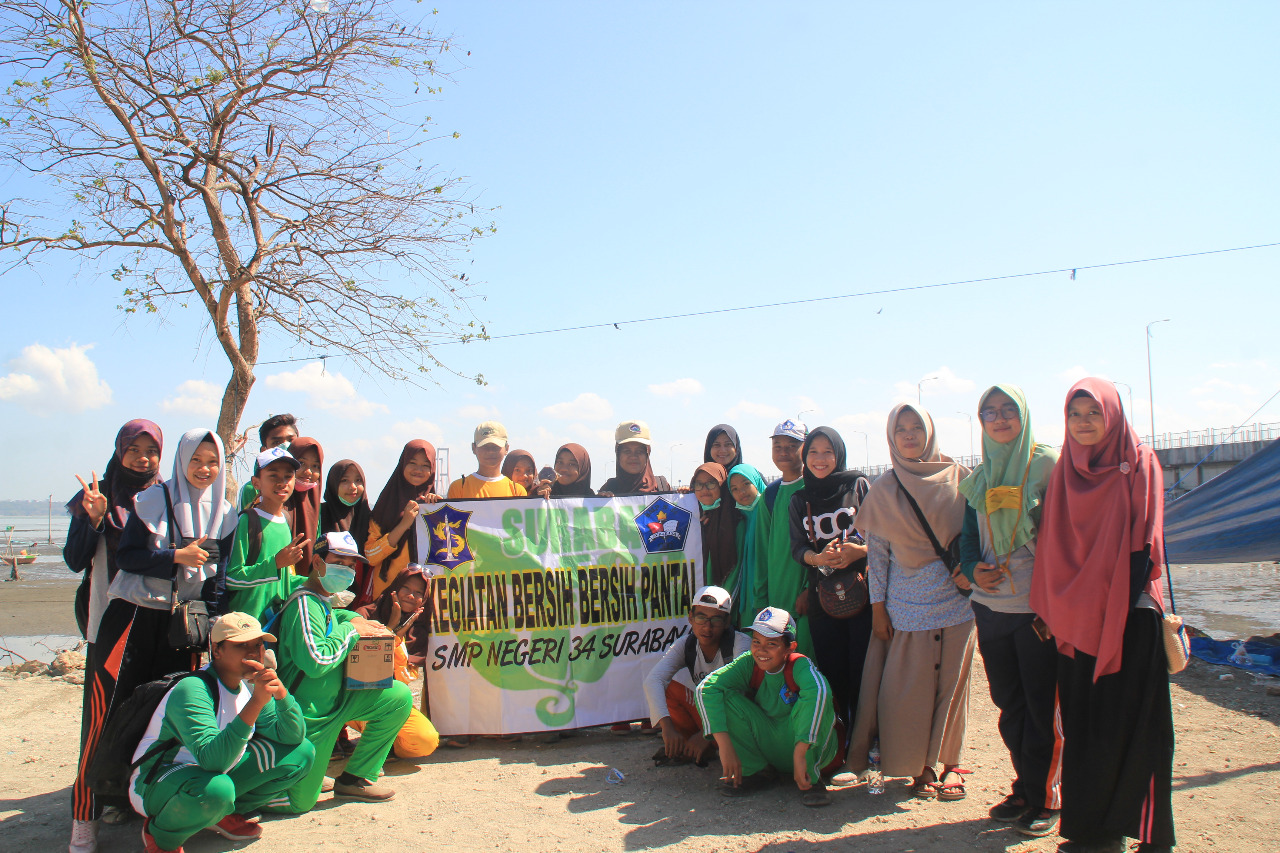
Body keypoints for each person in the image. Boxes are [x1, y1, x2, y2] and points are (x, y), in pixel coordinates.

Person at [1030, 379, 1175, 853]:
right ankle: (1093, 831)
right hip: (1074, 623)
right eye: (1076, 414)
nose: (1085, 422)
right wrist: (1056, 611)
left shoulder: (1139, 463)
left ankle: (1152, 837)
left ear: (1112, 414)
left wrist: (1106, 612)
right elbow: (1053, 549)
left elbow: (1143, 545)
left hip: (1128, 616)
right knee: (1085, 727)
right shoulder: (1065, 475)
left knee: (1138, 726)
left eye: (1094, 412)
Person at [846, 405, 974, 802]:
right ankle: (918, 764)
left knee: (952, 688)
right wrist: (878, 608)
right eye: (900, 429)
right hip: (907, 605)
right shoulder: (885, 490)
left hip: (958, 603)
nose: (909, 435)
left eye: (917, 427)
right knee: (909, 691)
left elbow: (979, 535)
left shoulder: (962, 480)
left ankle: (948, 765)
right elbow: (877, 556)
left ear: (930, 431)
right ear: (891, 436)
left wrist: (972, 569)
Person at [957, 385, 1062, 837]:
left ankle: (1048, 797)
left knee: (1044, 708)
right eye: (989, 413)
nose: (999, 420)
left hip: (1038, 610)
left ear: (1023, 416)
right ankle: (1025, 787)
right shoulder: (979, 477)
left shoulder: (1047, 466)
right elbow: (965, 540)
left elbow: (1067, 537)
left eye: (1007, 411)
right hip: (992, 608)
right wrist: (971, 571)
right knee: (1008, 705)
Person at [130, 612, 315, 853]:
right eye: (241, 645)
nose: (253, 652)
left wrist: (281, 696)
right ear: (216, 650)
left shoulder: (248, 683)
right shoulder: (194, 689)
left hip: (214, 774)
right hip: (157, 781)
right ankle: (162, 835)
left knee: (301, 753)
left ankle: (218, 814)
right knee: (217, 789)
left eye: (258, 644)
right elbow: (213, 760)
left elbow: (292, 737)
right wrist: (256, 703)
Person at [66, 419, 162, 850]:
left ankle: (127, 795)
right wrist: (94, 519)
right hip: (112, 622)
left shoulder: (167, 496)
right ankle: (84, 817)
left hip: (160, 625)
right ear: (119, 450)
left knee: (148, 714)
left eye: (151, 450)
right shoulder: (98, 495)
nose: (142, 458)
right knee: (100, 719)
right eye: (133, 449)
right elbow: (73, 560)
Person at [275, 531, 413, 811]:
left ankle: (355, 778)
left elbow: (336, 618)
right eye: (339, 562)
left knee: (397, 698)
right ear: (317, 562)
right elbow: (317, 662)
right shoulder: (304, 602)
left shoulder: (324, 599)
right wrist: (351, 629)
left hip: (336, 703)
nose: (347, 571)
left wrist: (352, 619)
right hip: (309, 717)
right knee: (299, 803)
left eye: (351, 566)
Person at [694, 607, 838, 808]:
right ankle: (757, 772)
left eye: (772, 644)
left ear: (790, 647)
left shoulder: (799, 665)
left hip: (806, 747)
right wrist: (724, 744)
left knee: (815, 697)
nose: (761, 650)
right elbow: (706, 689)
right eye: (756, 642)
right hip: (770, 742)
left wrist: (800, 751)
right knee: (724, 695)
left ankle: (812, 780)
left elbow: (820, 692)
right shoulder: (749, 663)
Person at [787, 426, 872, 747]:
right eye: (813, 452)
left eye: (827, 452)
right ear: (804, 457)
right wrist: (818, 556)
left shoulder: (858, 486)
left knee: (863, 668)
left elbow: (881, 537)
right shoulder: (799, 499)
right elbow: (797, 548)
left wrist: (858, 551)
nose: (820, 459)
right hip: (824, 599)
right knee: (833, 670)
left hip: (863, 595)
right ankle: (840, 741)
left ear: (839, 454)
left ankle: (866, 743)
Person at [643, 586, 752, 766]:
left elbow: (738, 697)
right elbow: (653, 681)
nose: (707, 627)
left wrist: (706, 735)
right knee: (669, 689)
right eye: (701, 618)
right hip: (710, 717)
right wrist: (667, 728)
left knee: (732, 699)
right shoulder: (685, 644)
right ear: (691, 618)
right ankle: (688, 746)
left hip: (735, 719)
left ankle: (710, 744)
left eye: (716, 620)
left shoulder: (740, 645)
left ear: (727, 622)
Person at [353, 563, 440, 760]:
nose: (411, 596)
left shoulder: (417, 630)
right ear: (395, 587)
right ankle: (367, 758)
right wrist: (390, 629)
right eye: (406, 588)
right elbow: (365, 669)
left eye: (419, 593)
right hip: (355, 698)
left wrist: (398, 638)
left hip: (392, 699)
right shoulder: (364, 615)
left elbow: (405, 677)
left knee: (425, 740)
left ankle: (389, 746)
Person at [224, 448, 309, 623]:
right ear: (256, 483)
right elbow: (232, 578)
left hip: (274, 624)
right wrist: (275, 564)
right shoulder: (247, 521)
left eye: (288, 476)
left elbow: (285, 580)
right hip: (246, 624)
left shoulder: (285, 520)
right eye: (273, 476)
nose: (282, 482)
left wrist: (318, 583)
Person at [753, 420, 813, 655]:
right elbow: (762, 551)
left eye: (791, 446)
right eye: (778, 446)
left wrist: (811, 588)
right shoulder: (770, 494)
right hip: (777, 600)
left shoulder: (814, 487)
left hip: (807, 599)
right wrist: (761, 599)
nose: (783, 452)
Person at [366, 439, 442, 602]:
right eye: (412, 463)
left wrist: (439, 513)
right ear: (402, 464)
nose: (418, 470)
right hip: (386, 597)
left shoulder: (436, 506)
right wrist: (404, 524)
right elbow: (371, 556)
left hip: (423, 600)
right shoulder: (386, 505)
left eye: (425, 465)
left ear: (433, 469)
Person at [319, 459, 373, 606]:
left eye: (358, 480)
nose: (353, 487)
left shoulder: (369, 518)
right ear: (333, 483)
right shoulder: (319, 515)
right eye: (344, 480)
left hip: (359, 601)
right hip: (320, 596)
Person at [727, 463, 767, 630]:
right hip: (748, 594)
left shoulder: (767, 512)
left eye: (746, 484)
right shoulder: (742, 517)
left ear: (756, 482)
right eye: (734, 489)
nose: (741, 492)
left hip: (767, 592)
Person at [446, 422, 527, 499]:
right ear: (474, 448)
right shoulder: (458, 488)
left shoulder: (518, 491)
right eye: (485, 446)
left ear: (506, 449)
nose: (490, 451)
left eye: (496, 446)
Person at [692, 463, 740, 589]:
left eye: (711, 483)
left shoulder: (736, 522)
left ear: (722, 486)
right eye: (698, 484)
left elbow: (736, 569)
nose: (704, 489)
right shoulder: (697, 519)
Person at [237, 414, 299, 512]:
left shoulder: (307, 484)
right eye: (276, 442)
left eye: (291, 440)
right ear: (264, 450)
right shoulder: (252, 489)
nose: (286, 446)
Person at [282, 436, 324, 576]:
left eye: (315, 466)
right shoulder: (276, 502)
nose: (308, 472)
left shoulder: (315, 506)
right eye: (301, 463)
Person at [597, 421, 672, 496]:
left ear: (647, 453)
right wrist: (599, 503)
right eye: (627, 451)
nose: (633, 457)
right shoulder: (609, 489)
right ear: (618, 454)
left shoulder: (662, 487)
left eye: (639, 451)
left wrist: (683, 496)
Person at [704, 424, 743, 504]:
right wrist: (685, 494)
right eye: (716, 445)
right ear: (709, 449)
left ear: (736, 448)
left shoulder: (748, 477)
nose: (722, 450)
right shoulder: (701, 479)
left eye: (728, 444)